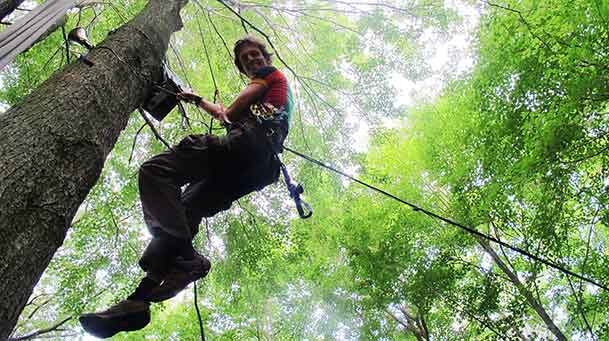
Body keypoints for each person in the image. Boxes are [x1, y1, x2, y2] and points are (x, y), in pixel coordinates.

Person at [79, 35, 293, 338]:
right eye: (246, 58)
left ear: (265, 58)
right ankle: (138, 301)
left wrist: (222, 107)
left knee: (156, 172)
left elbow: (230, 114)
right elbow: (226, 118)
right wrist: (197, 101)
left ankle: (189, 260)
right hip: (256, 167)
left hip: (247, 147)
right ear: (242, 67)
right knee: (186, 211)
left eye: (256, 54)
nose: (252, 59)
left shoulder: (268, 76)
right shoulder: (269, 95)